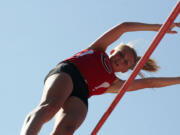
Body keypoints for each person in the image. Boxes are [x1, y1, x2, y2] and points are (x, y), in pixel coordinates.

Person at [20, 22, 180, 135]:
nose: (121, 59)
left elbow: (150, 82)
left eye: (126, 62)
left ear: (125, 70)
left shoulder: (114, 83)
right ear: (112, 51)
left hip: (82, 93)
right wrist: (156, 27)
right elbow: (124, 27)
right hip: (70, 72)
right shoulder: (98, 49)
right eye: (121, 53)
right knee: (51, 107)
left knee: (67, 129)